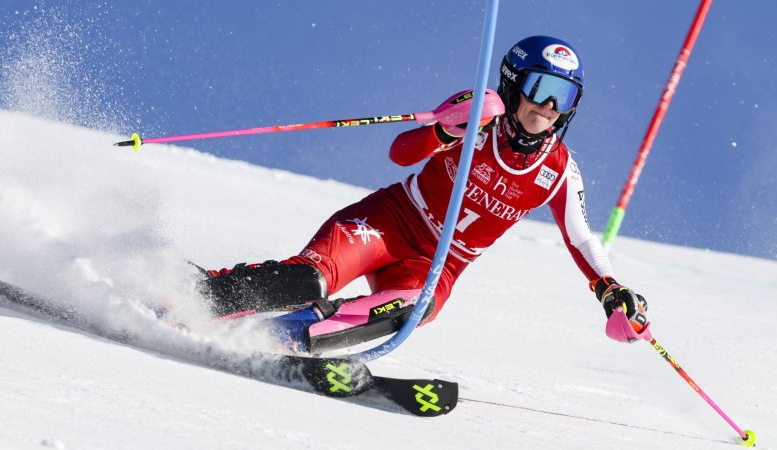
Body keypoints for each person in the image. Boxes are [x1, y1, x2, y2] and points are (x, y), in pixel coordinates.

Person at [200, 35, 651, 354]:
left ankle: (282, 337)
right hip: (390, 221)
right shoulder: (481, 114)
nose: (548, 107)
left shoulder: (558, 170)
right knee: (309, 279)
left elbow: (581, 237)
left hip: (437, 263)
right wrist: (444, 129)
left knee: (413, 307)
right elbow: (401, 152)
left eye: (564, 97)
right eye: (540, 89)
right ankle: (195, 296)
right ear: (514, 84)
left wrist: (611, 289)